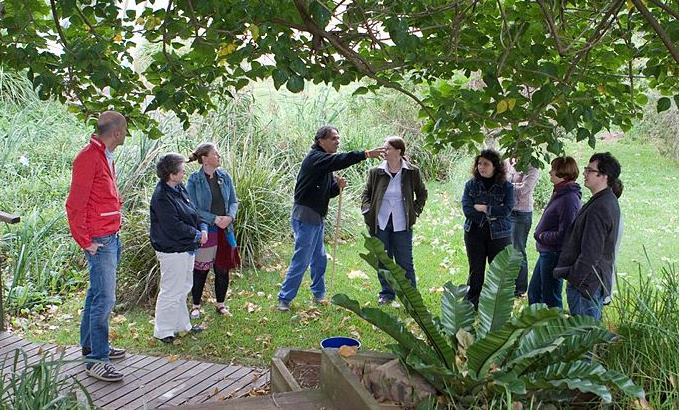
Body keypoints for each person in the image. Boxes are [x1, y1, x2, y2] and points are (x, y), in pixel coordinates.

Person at [277, 125, 385, 311]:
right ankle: (284, 299)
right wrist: (365, 154)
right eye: (334, 138)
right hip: (305, 217)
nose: (338, 141)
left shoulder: (323, 162)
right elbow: (339, 160)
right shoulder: (316, 158)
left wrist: (337, 187)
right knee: (301, 260)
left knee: (319, 259)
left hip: (316, 217)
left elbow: (325, 192)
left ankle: (318, 295)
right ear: (321, 141)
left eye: (338, 138)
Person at [65, 111, 127, 382]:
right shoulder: (88, 158)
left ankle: (92, 347)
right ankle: (96, 360)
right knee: (105, 299)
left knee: (95, 294)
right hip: (99, 241)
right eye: (124, 129)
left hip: (109, 236)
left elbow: (102, 197)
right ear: (116, 133)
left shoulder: (104, 155)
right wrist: (85, 240)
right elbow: (75, 204)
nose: (125, 134)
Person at [553, 152, 623, 320]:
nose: (584, 173)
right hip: (590, 282)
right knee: (587, 336)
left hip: (586, 285)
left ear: (604, 176)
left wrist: (576, 279)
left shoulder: (601, 206)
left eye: (589, 170)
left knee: (584, 339)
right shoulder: (604, 200)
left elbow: (592, 252)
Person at [361, 136, 428, 305]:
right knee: (383, 259)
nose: (384, 151)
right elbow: (366, 194)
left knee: (405, 260)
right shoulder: (376, 172)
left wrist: (415, 211)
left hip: (402, 222)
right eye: (384, 148)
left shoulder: (412, 172)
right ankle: (387, 294)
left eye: (388, 148)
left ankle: (410, 296)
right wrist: (367, 211)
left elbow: (422, 193)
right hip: (380, 221)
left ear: (399, 151)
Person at [150, 153, 208, 344]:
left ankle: (182, 325)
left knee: (184, 287)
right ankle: (163, 330)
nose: (184, 172)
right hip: (171, 249)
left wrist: (202, 227)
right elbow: (173, 226)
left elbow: (192, 211)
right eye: (181, 170)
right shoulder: (161, 197)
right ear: (172, 174)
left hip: (186, 247)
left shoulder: (179, 188)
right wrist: (197, 235)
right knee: (171, 289)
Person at [186, 143, 240, 319]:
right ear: (204, 159)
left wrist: (229, 217)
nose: (218, 156)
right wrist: (214, 219)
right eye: (215, 154)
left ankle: (221, 304)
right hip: (206, 231)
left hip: (226, 230)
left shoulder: (225, 176)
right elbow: (192, 207)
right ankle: (195, 306)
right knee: (201, 270)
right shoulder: (194, 180)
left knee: (222, 269)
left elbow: (233, 201)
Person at [461, 149, 514, 309]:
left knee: (498, 272)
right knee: (475, 270)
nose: (481, 167)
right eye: (479, 163)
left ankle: (497, 306)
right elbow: (467, 209)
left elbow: (507, 210)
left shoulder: (506, 187)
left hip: (499, 234)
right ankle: (472, 303)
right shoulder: (471, 184)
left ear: (495, 167)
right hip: (474, 232)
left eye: (486, 164)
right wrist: (487, 216)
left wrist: (484, 208)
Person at [528, 156, 581, 309]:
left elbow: (566, 233)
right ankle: (534, 326)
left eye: (554, 169)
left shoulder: (569, 198)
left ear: (563, 173)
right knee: (535, 293)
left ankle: (554, 329)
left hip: (554, 253)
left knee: (550, 296)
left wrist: (541, 235)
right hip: (547, 251)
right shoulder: (560, 192)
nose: (550, 172)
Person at [506, 159, 539, 297]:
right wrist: (513, 185)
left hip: (521, 213)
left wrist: (507, 186)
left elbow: (524, 190)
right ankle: (509, 285)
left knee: (518, 249)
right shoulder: (510, 163)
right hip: (508, 210)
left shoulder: (532, 166)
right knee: (508, 249)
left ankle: (520, 288)